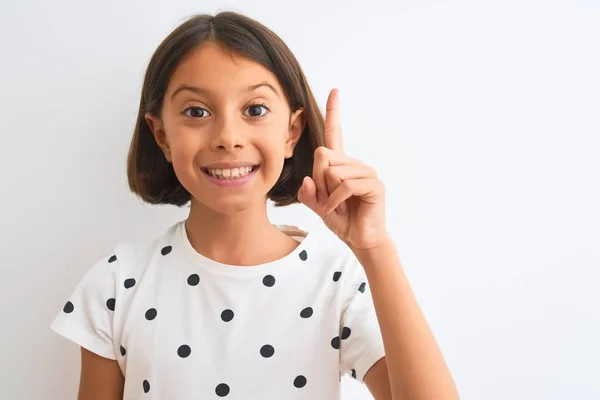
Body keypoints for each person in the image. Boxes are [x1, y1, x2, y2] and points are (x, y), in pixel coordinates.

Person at [50, 11, 459, 400]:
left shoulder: (334, 279)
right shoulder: (118, 283)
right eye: (196, 111)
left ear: (291, 131)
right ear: (161, 136)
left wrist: (375, 248)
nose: (228, 136)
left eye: (255, 110)